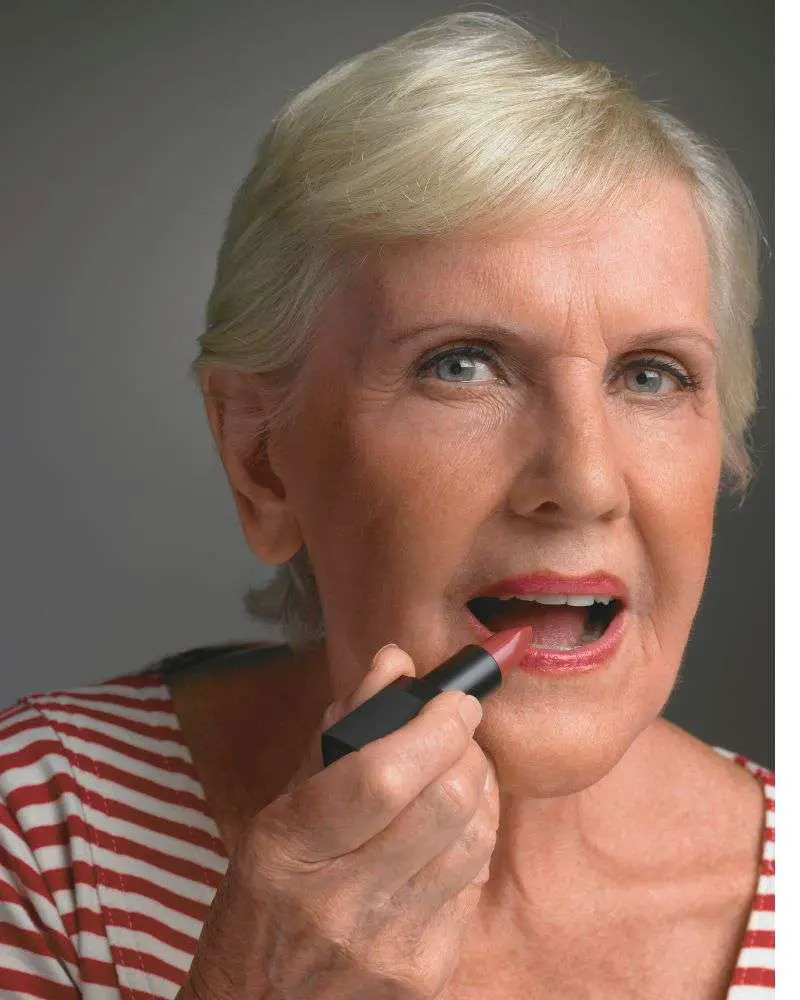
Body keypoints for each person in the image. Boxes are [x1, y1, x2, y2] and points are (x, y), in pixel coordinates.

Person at [0, 12, 773, 999]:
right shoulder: (44, 836)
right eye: (460, 365)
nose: (581, 481)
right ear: (260, 461)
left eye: (652, 375)